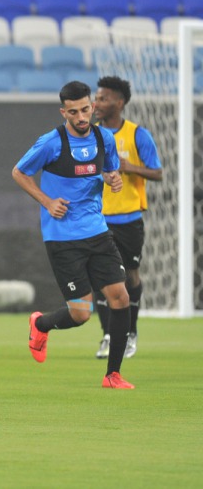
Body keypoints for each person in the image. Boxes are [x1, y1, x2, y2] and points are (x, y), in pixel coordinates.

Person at [12, 81, 134, 390]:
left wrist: (114, 179)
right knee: (81, 314)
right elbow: (19, 172)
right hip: (63, 237)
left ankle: (113, 375)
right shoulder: (50, 143)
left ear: (92, 107)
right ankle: (40, 324)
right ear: (63, 111)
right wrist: (47, 201)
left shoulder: (104, 138)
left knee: (120, 297)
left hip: (97, 231)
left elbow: (109, 172)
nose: (81, 116)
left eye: (85, 109)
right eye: (74, 111)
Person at [90, 76, 161, 360]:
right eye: (97, 97)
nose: (97, 103)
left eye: (103, 98)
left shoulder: (137, 135)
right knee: (99, 278)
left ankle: (130, 333)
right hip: (98, 218)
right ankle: (108, 335)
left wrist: (130, 166)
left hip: (129, 219)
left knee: (130, 277)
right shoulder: (91, 135)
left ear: (119, 102)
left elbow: (157, 172)